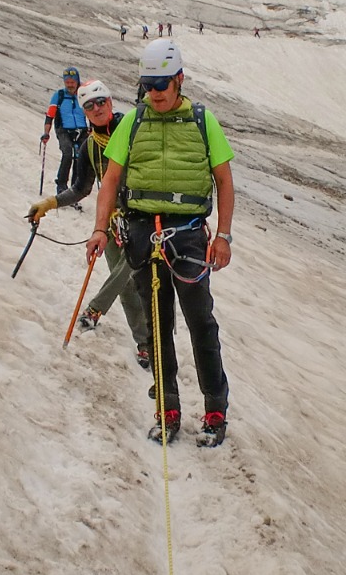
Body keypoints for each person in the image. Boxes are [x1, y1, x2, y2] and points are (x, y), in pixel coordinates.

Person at [86, 38, 234, 446]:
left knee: (201, 323)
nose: (155, 92)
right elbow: (111, 180)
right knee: (158, 326)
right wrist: (100, 228)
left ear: (179, 80)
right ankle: (168, 409)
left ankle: (215, 409)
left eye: (162, 84)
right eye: (149, 84)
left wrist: (223, 235)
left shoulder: (204, 121)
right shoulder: (133, 123)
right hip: (142, 234)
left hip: (188, 237)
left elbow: (224, 180)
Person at [26, 80, 148, 367]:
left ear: (110, 102)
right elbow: (81, 188)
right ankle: (145, 344)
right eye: (89, 106)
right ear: (84, 112)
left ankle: (95, 309)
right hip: (111, 222)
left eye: (101, 102)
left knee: (129, 270)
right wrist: (49, 203)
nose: (96, 108)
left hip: (143, 219)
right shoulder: (89, 147)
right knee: (128, 287)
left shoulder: (134, 130)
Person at [42, 67, 89, 199]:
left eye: (72, 82)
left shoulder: (83, 95)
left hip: (82, 131)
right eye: (67, 82)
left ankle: (76, 189)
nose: (69, 85)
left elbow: (91, 112)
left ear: (77, 81)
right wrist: (46, 133)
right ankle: (61, 186)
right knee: (67, 153)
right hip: (63, 130)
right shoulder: (59, 95)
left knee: (80, 159)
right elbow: (50, 115)